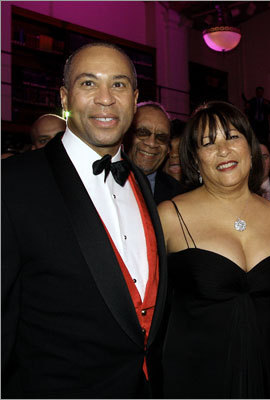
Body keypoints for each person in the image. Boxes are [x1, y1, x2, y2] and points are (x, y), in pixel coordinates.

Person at [1, 42, 168, 398]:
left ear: (134, 99)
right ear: (64, 97)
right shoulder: (12, 183)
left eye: (119, 84)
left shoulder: (140, 180)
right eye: (88, 83)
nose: (105, 98)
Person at [156, 100, 270, 398]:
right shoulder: (169, 216)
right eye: (208, 143)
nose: (223, 150)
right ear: (195, 159)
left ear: (250, 147)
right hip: (196, 382)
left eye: (232, 137)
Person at [124, 101, 186, 204]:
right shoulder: (102, 179)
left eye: (161, 137)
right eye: (143, 132)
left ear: (168, 148)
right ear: (125, 134)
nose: (152, 143)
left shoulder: (179, 195)